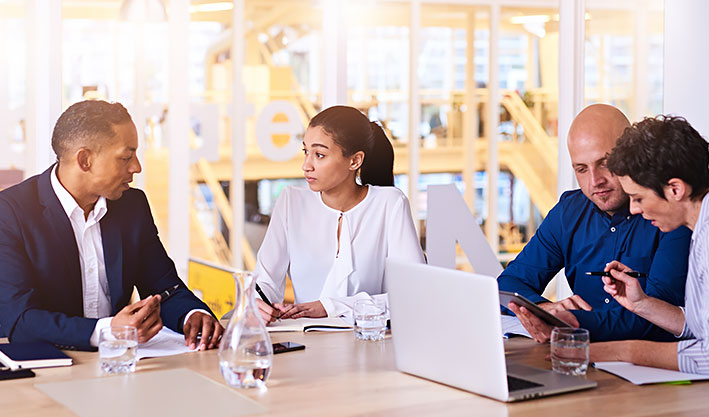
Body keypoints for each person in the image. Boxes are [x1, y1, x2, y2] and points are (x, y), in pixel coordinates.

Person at [0, 100, 222, 351]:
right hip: (44, 369)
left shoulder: (132, 206)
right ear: (85, 160)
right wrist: (108, 332)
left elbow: (165, 288)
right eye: (126, 157)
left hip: (121, 366)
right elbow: (19, 320)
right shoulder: (10, 213)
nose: (136, 167)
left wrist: (191, 314)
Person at [499, 104, 691, 343]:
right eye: (581, 169)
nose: (595, 181)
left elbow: (658, 314)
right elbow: (507, 285)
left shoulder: (668, 212)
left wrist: (569, 322)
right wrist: (544, 310)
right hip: (580, 358)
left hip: (653, 367)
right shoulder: (567, 213)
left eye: (605, 163)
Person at [590, 115, 709, 375]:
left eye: (638, 197)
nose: (634, 209)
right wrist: (640, 303)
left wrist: (621, 352)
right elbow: (706, 327)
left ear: (675, 189)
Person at [253, 105, 425, 324]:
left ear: (354, 161)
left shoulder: (390, 203)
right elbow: (264, 282)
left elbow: (415, 293)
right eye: (306, 152)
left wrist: (330, 307)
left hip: (370, 343)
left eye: (320, 155)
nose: (307, 165)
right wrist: (257, 304)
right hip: (306, 344)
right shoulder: (291, 201)